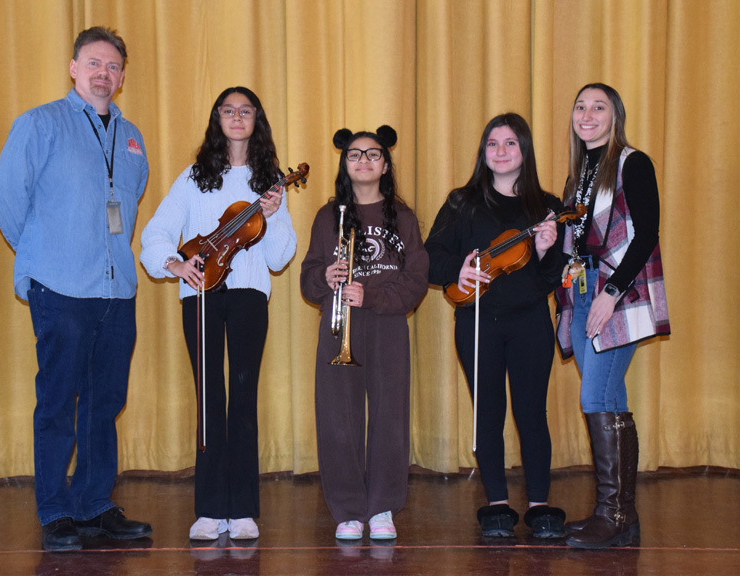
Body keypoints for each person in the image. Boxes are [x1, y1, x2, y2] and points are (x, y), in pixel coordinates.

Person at [0, 27, 152, 551]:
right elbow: (6, 198)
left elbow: (128, 205)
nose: (104, 73)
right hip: (59, 286)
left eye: (113, 66)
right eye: (94, 63)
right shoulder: (39, 123)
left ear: (122, 77)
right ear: (74, 68)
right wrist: (41, 255)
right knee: (58, 400)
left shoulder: (132, 137)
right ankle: (56, 510)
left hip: (116, 291)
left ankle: (94, 504)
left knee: (105, 402)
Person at [140, 86, 296, 541]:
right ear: (217, 119)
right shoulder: (194, 176)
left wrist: (275, 214)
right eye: (228, 110)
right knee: (209, 398)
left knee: (243, 400)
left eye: (246, 111)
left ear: (257, 120)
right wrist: (174, 264)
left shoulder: (269, 180)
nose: (237, 117)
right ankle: (209, 509)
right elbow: (156, 232)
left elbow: (279, 258)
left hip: (249, 296)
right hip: (201, 296)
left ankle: (243, 509)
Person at [424, 113, 567, 539]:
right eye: (492, 144)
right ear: (483, 152)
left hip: (530, 322)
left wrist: (546, 251)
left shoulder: (547, 206)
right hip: (477, 321)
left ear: (525, 150)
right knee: (487, 411)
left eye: (510, 143)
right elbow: (430, 256)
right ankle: (497, 503)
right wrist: (458, 270)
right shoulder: (462, 201)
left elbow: (552, 278)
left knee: (531, 411)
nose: (500, 151)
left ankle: (539, 503)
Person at [555, 83, 670, 549]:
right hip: (582, 291)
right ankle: (620, 515)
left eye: (598, 107)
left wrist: (611, 293)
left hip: (616, 292)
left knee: (596, 398)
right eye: (580, 106)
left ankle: (614, 515)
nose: (587, 115)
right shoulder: (578, 173)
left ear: (615, 116)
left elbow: (646, 235)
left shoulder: (632, 163)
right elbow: (576, 241)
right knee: (610, 398)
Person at [300, 126, 429, 541]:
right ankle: (348, 509)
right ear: (345, 164)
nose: (364, 161)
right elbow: (308, 280)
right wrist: (325, 276)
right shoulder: (328, 217)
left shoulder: (403, 218)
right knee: (338, 417)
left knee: (390, 416)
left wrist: (370, 295)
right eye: (354, 154)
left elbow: (416, 280)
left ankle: (382, 507)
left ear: (386, 165)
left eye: (373, 154)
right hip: (339, 326)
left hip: (387, 325)